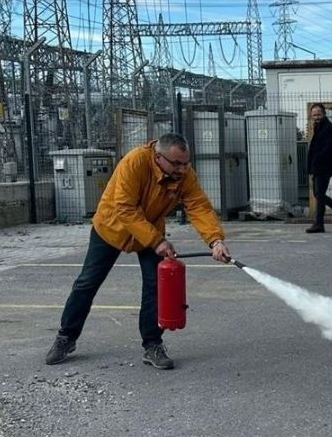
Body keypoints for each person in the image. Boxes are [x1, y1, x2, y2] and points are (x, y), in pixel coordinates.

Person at [44, 133, 230, 370]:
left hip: (150, 232)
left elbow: (199, 206)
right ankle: (66, 337)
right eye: (176, 164)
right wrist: (157, 241)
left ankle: (152, 344)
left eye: (186, 163)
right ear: (158, 157)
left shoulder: (184, 176)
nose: (182, 170)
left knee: (155, 286)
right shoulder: (134, 162)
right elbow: (125, 208)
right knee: (87, 283)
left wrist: (215, 241)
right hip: (111, 228)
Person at [305, 102, 332, 233]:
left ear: (324, 114)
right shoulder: (318, 126)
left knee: (319, 194)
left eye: (318, 114)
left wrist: (316, 161)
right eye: (314, 115)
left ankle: (322, 221)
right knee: (319, 194)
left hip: (324, 166)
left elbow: (327, 148)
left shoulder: (328, 127)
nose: (316, 117)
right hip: (318, 166)